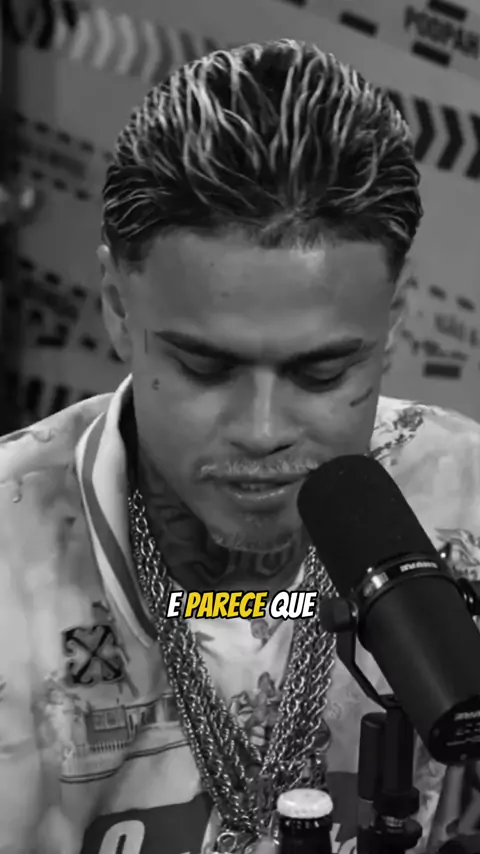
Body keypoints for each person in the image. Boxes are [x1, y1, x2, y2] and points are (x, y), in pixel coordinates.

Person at [0, 39, 479, 854]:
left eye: (322, 372)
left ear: (394, 321)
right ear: (116, 306)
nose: (262, 432)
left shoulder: (465, 496)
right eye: (205, 367)